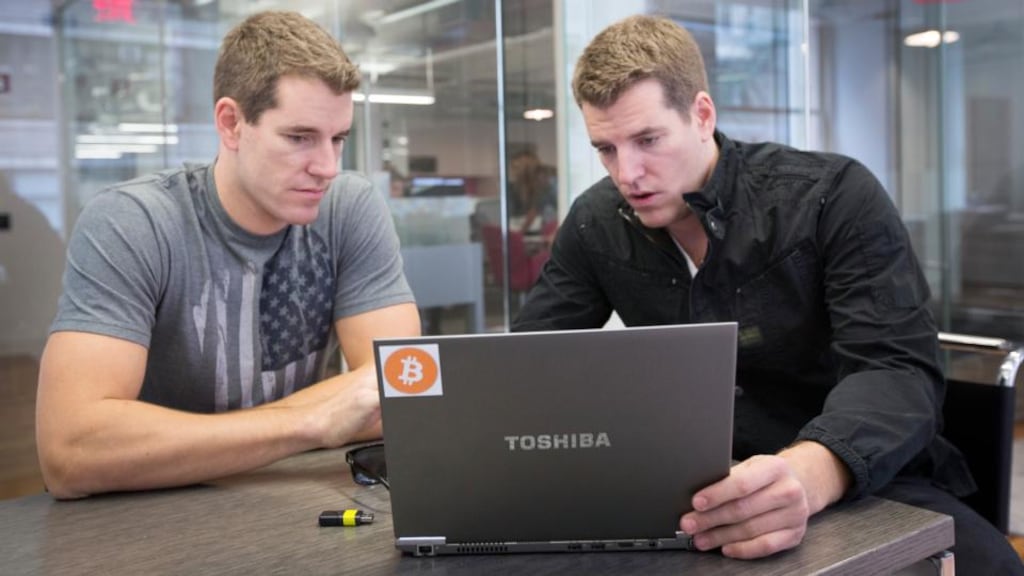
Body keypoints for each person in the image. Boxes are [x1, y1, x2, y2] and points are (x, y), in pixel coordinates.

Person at [512, 14, 1023, 573]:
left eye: (647, 140)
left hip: (865, 480)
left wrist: (810, 473)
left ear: (702, 115)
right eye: (606, 149)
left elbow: (896, 369)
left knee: (990, 566)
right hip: (696, 487)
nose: (626, 173)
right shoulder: (596, 222)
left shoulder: (832, 198)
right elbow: (534, 363)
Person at [36, 11, 420, 500]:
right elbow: (70, 451)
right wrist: (313, 420)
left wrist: (209, 438)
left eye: (338, 139)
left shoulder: (349, 208)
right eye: (299, 137)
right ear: (231, 123)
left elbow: (404, 395)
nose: (327, 167)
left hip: (297, 498)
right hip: (153, 510)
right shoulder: (133, 222)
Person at [507, 148, 558, 237]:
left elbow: (534, 211)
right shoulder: (536, 183)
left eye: (515, 168)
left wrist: (519, 233)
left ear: (524, 170)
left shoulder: (546, 180)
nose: (513, 172)